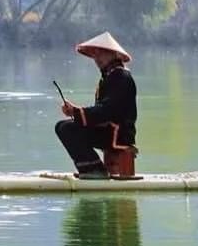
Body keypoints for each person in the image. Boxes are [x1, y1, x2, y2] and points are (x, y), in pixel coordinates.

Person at [56, 32, 137, 178]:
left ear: (113, 54)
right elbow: (102, 111)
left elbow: (108, 111)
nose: (97, 58)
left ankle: (94, 170)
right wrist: (76, 112)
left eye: (101, 54)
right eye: (95, 55)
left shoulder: (121, 77)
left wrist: (77, 112)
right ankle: (91, 168)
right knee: (63, 126)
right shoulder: (109, 77)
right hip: (108, 130)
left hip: (118, 134)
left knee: (67, 128)